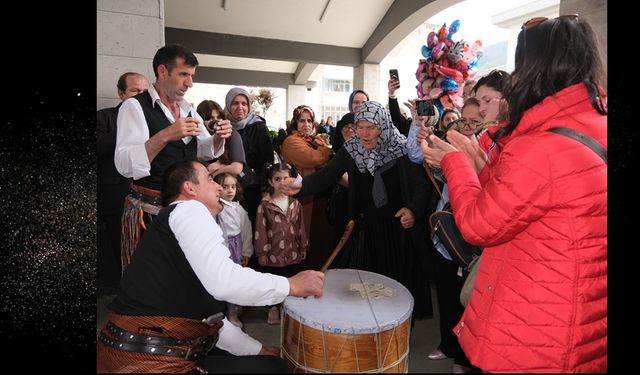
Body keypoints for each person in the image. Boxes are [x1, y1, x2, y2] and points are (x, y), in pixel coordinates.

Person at [421, 15, 607, 372]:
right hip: (582, 316)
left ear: (534, 66)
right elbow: (523, 201)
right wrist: (477, 161)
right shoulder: (593, 124)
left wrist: (455, 163)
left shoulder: (540, 144)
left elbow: (479, 225)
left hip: (536, 327)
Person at [97, 159, 324, 373]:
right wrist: (290, 285)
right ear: (189, 188)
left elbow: (212, 320)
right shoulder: (189, 210)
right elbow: (225, 283)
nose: (218, 187)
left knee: (261, 361)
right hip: (147, 360)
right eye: (210, 179)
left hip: (133, 348)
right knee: (275, 369)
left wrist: (259, 350)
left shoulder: (177, 220)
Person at [286, 101, 435, 320]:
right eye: (360, 127)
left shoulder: (401, 148)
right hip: (365, 228)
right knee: (368, 286)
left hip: (397, 230)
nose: (364, 134)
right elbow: (327, 175)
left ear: (382, 126)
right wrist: (301, 186)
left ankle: (397, 328)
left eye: (370, 128)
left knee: (397, 284)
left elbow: (422, 185)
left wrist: (412, 210)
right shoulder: (352, 148)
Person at [114, 44, 232, 270]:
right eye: (183, 75)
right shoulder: (134, 107)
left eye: (192, 76)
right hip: (149, 213)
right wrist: (166, 135)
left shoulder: (189, 110)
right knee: (152, 279)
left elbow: (205, 150)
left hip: (186, 211)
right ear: (162, 71)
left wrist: (219, 138)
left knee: (183, 276)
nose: (190, 83)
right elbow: (125, 164)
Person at [97, 72, 149, 295]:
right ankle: (127, 298)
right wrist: (126, 131)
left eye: (144, 93)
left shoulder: (153, 118)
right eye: (135, 91)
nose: (140, 97)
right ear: (121, 93)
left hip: (149, 197)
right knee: (122, 251)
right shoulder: (105, 117)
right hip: (115, 198)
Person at [254, 163, 309, 324]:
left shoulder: (295, 204)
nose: (282, 182)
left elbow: (301, 226)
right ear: (271, 182)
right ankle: (273, 308)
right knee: (274, 282)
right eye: (277, 179)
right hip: (273, 252)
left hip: (292, 251)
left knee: (289, 279)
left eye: (286, 178)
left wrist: (303, 246)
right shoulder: (265, 205)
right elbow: (260, 230)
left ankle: (288, 307)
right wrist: (261, 252)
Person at [224, 87, 274, 229]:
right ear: (228, 105)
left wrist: (266, 189)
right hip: (229, 187)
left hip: (253, 189)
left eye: (244, 103)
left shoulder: (258, 127)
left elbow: (268, 161)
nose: (240, 107)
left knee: (251, 229)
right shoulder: (224, 126)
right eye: (235, 103)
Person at [213, 172, 254, 328]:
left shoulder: (238, 209)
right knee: (221, 278)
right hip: (222, 247)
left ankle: (232, 310)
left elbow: (246, 231)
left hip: (235, 248)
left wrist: (246, 252)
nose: (230, 190)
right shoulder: (217, 208)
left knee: (234, 278)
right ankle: (222, 310)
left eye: (233, 187)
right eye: (225, 187)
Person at [196, 99, 246, 177]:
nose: (215, 121)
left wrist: (214, 172)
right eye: (210, 118)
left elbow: (237, 168)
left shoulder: (231, 134)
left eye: (219, 117)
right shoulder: (195, 136)